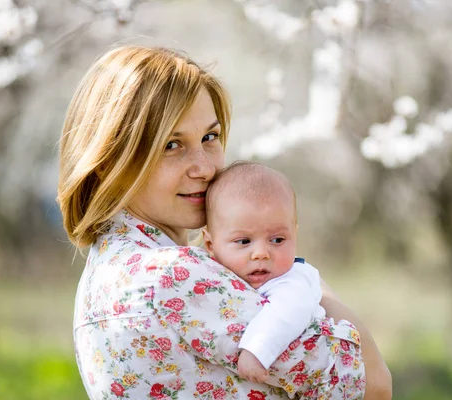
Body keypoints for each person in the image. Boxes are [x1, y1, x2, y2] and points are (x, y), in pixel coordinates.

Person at [57, 45, 392, 400]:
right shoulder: (175, 276)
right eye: (172, 145)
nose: (204, 167)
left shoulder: (106, 268)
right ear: (111, 161)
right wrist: (303, 280)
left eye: (209, 137)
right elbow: (373, 383)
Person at [202, 161, 329, 383]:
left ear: (294, 235)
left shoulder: (292, 281)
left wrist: (257, 351)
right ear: (211, 245)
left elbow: (289, 310)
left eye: (277, 240)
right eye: (244, 241)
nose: (261, 253)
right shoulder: (212, 271)